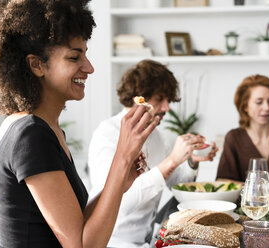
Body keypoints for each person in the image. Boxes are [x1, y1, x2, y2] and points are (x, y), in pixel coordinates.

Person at [0, 1, 159, 247]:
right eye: (74, 57)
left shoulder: (42, 128)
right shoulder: (30, 134)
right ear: (36, 65)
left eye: (85, 54)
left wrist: (119, 184)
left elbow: (78, 224)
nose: (89, 67)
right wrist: (122, 157)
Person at [88, 59, 218, 248]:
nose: (167, 108)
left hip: (146, 240)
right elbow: (120, 204)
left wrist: (191, 160)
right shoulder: (107, 133)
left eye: (168, 100)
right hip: (111, 241)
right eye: (160, 99)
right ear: (138, 98)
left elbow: (176, 183)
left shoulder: (156, 135)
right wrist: (172, 160)